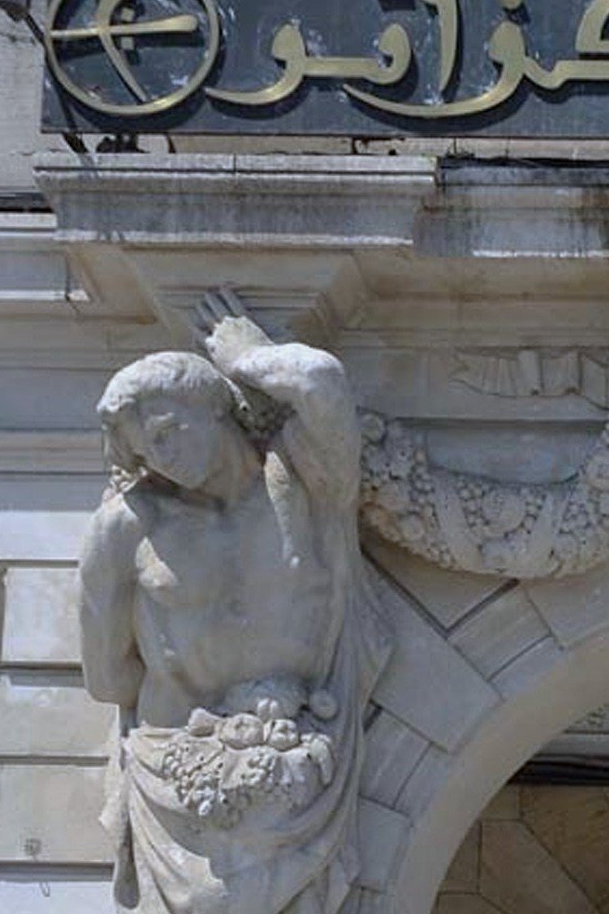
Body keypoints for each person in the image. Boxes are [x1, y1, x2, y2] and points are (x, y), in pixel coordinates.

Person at [81, 289, 388, 914]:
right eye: (146, 450)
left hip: (302, 766)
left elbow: (322, 381)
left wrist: (249, 356)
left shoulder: (301, 482)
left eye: (168, 433)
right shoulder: (128, 527)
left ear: (213, 402)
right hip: (175, 778)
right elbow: (108, 677)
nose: (161, 458)